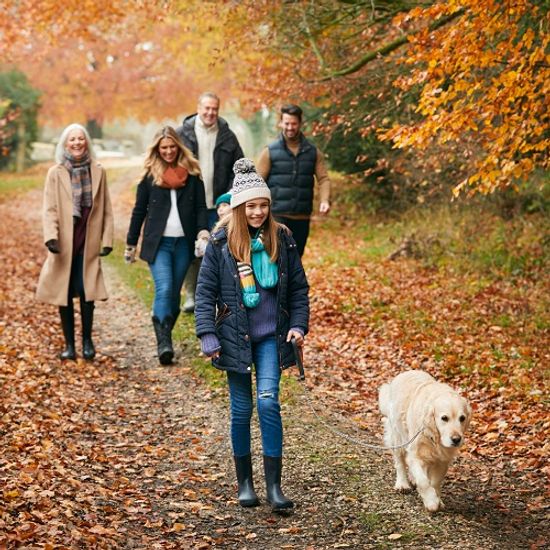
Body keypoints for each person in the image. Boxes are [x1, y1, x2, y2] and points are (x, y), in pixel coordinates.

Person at [195, 158, 309, 512]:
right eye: (251, 206)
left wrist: (298, 325)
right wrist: (207, 336)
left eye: (263, 205)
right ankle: (245, 483)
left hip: (271, 339)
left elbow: (299, 291)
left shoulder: (284, 239)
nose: (258, 212)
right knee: (242, 410)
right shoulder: (221, 243)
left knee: (268, 402)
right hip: (234, 337)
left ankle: (274, 487)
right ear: (240, 207)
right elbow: (204, 294)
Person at [125, 126, 208, 365]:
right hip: (158, 243)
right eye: (164, 148)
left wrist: (203, 231)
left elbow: (201, 207)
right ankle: (164, 344)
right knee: (164, 287)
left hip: (183, 243)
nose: (169, 151)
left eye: (172, 147)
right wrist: (131, 243)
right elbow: (139, 211)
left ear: (178, 147)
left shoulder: (192, 175)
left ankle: (165, 335)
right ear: (157, 150)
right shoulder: (150, 177)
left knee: (174, 293)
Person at [36, 123, 114, 361]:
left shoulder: (98, 170)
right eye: (72, 140)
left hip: (87, 239)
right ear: (65, 144)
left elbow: (107, 209)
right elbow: (49, 208)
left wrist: (107, 239)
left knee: (87, 291)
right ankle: (70, 345)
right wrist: (51, 236)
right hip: (64, 242)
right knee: (65, 292)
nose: (77, 143)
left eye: (81, 139)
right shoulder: (56, 172)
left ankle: (87, 341)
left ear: (87, 142)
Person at [177, 92, 244, 312]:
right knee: (191, 248)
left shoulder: (227, 136)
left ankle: (219, 295)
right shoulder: (182, 134)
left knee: (219, 248)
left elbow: (239, 167)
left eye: (214, 109)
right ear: (198, 108)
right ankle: (191, 294)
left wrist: (230, 196)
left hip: (219, 205)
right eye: (206, 108)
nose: (210, 113)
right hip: (189, 203)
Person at [256, 103, 331, 257]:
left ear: (300, 123)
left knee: (296, 259)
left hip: (302, 216)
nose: (290, 127)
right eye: (287, 123)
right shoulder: (270, 151)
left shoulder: (312, 152)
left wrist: (325, 200)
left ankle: (291, 282)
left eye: (294, 123)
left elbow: (323, 178)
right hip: (277, 215)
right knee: (278, 258)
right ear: (281, 123)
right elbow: (257, 182)